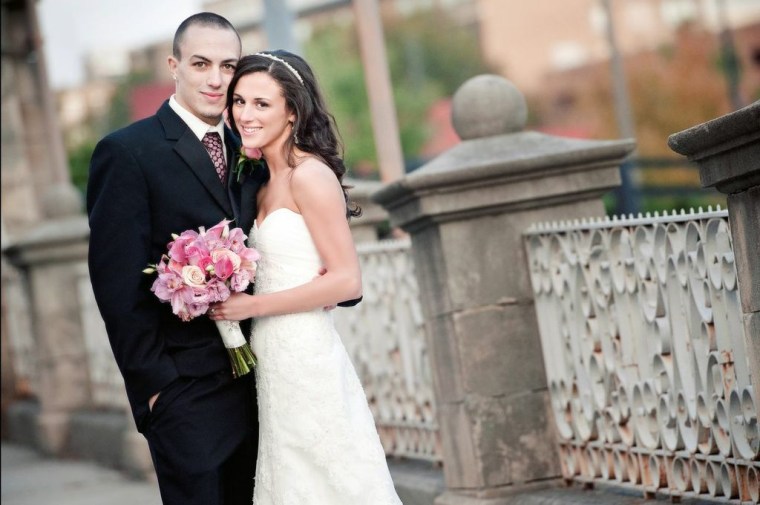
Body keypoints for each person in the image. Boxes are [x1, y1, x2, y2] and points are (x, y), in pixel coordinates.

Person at [209, 51, 403, 504]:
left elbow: (347, 281)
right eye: (239, 102)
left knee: (332, 478)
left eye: (262, 104)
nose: (245, 115)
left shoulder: (309, 175)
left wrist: (252, 306)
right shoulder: (259, 180)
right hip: (272, 357)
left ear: (292, 111)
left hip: (306, 354)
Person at [87, 13, 258, 505]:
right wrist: (157, 393)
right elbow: (116, 287)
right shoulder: (126, 152)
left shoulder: (252, 149)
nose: (216, 78)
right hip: (185, 394)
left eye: (228, 65)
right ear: (174, 66)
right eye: (201, 63)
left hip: (265, 387)